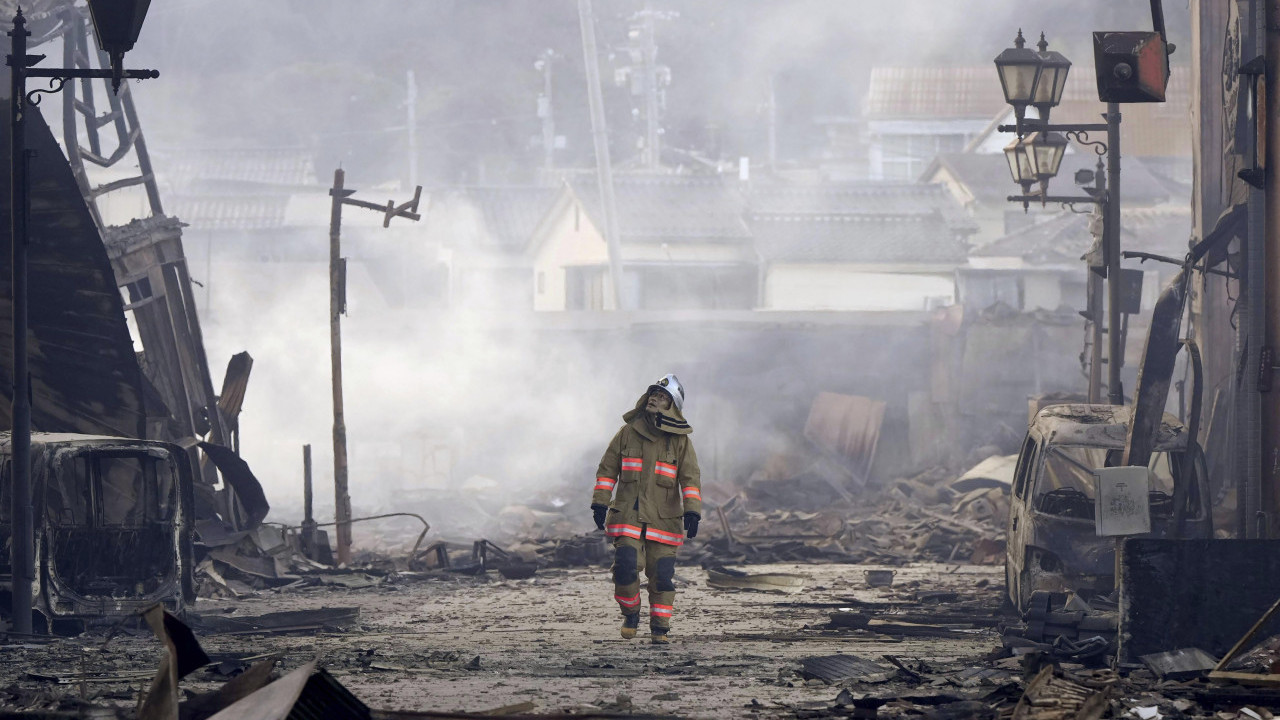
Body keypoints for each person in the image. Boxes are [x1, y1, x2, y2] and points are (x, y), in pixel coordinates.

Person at [590, 374, 702, 644]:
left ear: (671, 405)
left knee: (662, 577)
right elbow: (607, 471)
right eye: (652, 393)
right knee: (626, 567)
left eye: (661, 396)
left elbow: (690, 479)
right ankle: (631, 613)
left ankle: (660, 628)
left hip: (664, 521)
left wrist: (693, 511)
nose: (654, 398)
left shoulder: (681, 442)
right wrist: (600, 502)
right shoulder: (627, 433)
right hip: (628, 516)